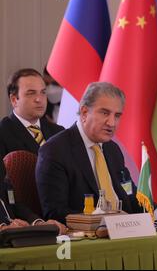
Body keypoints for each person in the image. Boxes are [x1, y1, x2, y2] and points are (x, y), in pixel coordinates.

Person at [36, 82, 142, 223]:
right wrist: (105, 221)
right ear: (85, 112)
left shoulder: (113, 149)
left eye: (117, 116)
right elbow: (55, 212)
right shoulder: (55, 150)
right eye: (105, 113)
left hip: (125, 230)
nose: (112, 123)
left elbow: (130, 196)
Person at [0, 68, 64, 159]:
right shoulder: (3, 133)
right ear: (14, 100)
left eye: (43, 92)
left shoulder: (58, 132)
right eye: (31, 93)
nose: (39, 99)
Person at [0, 159, 67, 234]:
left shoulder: (5, 183)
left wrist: (38, 223)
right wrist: (2, 228)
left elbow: (15, 206)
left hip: (16, 238)